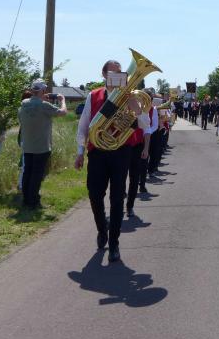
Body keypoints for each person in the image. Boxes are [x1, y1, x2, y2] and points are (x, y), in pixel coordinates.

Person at [75, 60, 150, 263]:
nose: (117, 76)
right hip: (97, 152)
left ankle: (114, 243)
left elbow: (146, 125)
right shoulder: (94, 95)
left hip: (121, 152)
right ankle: (102, 229)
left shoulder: (130, 97)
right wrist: (80, 151)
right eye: (113, 72)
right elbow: (83, 126)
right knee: (94, 194)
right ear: (104, 74)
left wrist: (137, 110)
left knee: (117, 198)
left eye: (120, 72)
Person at [18, 80, 67, 208]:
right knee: (37, 175)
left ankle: (26, 200)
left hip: (27, 145)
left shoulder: (23, 104)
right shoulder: (44, 105)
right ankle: (33, 201)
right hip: (41, 147)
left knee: (27, 173)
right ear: (43, 90)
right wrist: (62, 100)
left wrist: (40, 98)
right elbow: (63, 112)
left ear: (32, 90)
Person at [126, 100, 152, 218]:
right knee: (118, 179)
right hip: (120, 147)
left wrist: (146, 148)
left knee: (135, 179)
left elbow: (147, 128)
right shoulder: (117, 103)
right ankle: (117, 206)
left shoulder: (140, 106)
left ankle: (130, 206)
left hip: (136, 146)